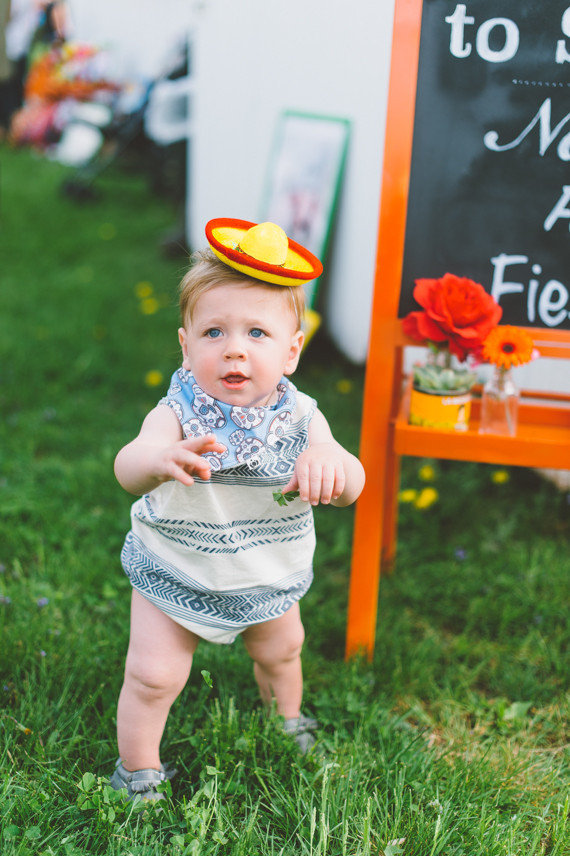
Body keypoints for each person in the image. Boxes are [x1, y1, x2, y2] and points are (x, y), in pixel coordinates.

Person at [110, 219, 366, 801]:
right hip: (177, 566)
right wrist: (160, 458)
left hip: (264, 568)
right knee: (154, 676)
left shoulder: (303, 419)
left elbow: (353, 484)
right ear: (185, 344)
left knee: (283, 651)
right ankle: (138, 770)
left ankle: (286, 720)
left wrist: (331, 461)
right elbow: (128, 466)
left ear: (292, 351)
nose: (234, 348)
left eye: (257, 332)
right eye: (214, 332)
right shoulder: (178, 411)